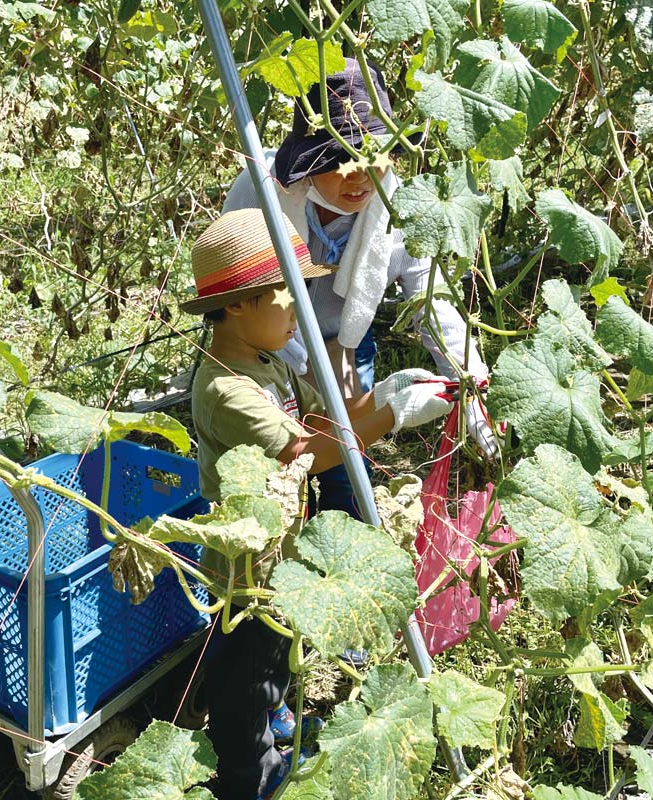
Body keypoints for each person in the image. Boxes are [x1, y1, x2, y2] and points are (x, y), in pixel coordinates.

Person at [182, 208, 454, 799]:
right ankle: (246, 775)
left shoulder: (270, 359)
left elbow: (323, 418)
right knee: (244, 669)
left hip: (283, 541)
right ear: (235, 306)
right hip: (246, 557)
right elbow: (310, 452)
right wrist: (392, 415)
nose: (298, 306)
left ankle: (273, 721)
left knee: (279, 644)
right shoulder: (226, 389)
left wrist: (384, 392)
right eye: (285, 291)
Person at [223, 58, 500, 523]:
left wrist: (469, 380)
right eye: (338, 161)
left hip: (341, 339)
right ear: (308, 161)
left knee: (342, 455)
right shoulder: (261, 188)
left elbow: (429, 299)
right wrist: (263, 347)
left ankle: (336, 527)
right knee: (261, 462)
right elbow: (226, 271)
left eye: (374, 158)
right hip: (258, 343)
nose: (359, 177)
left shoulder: (400, 208)